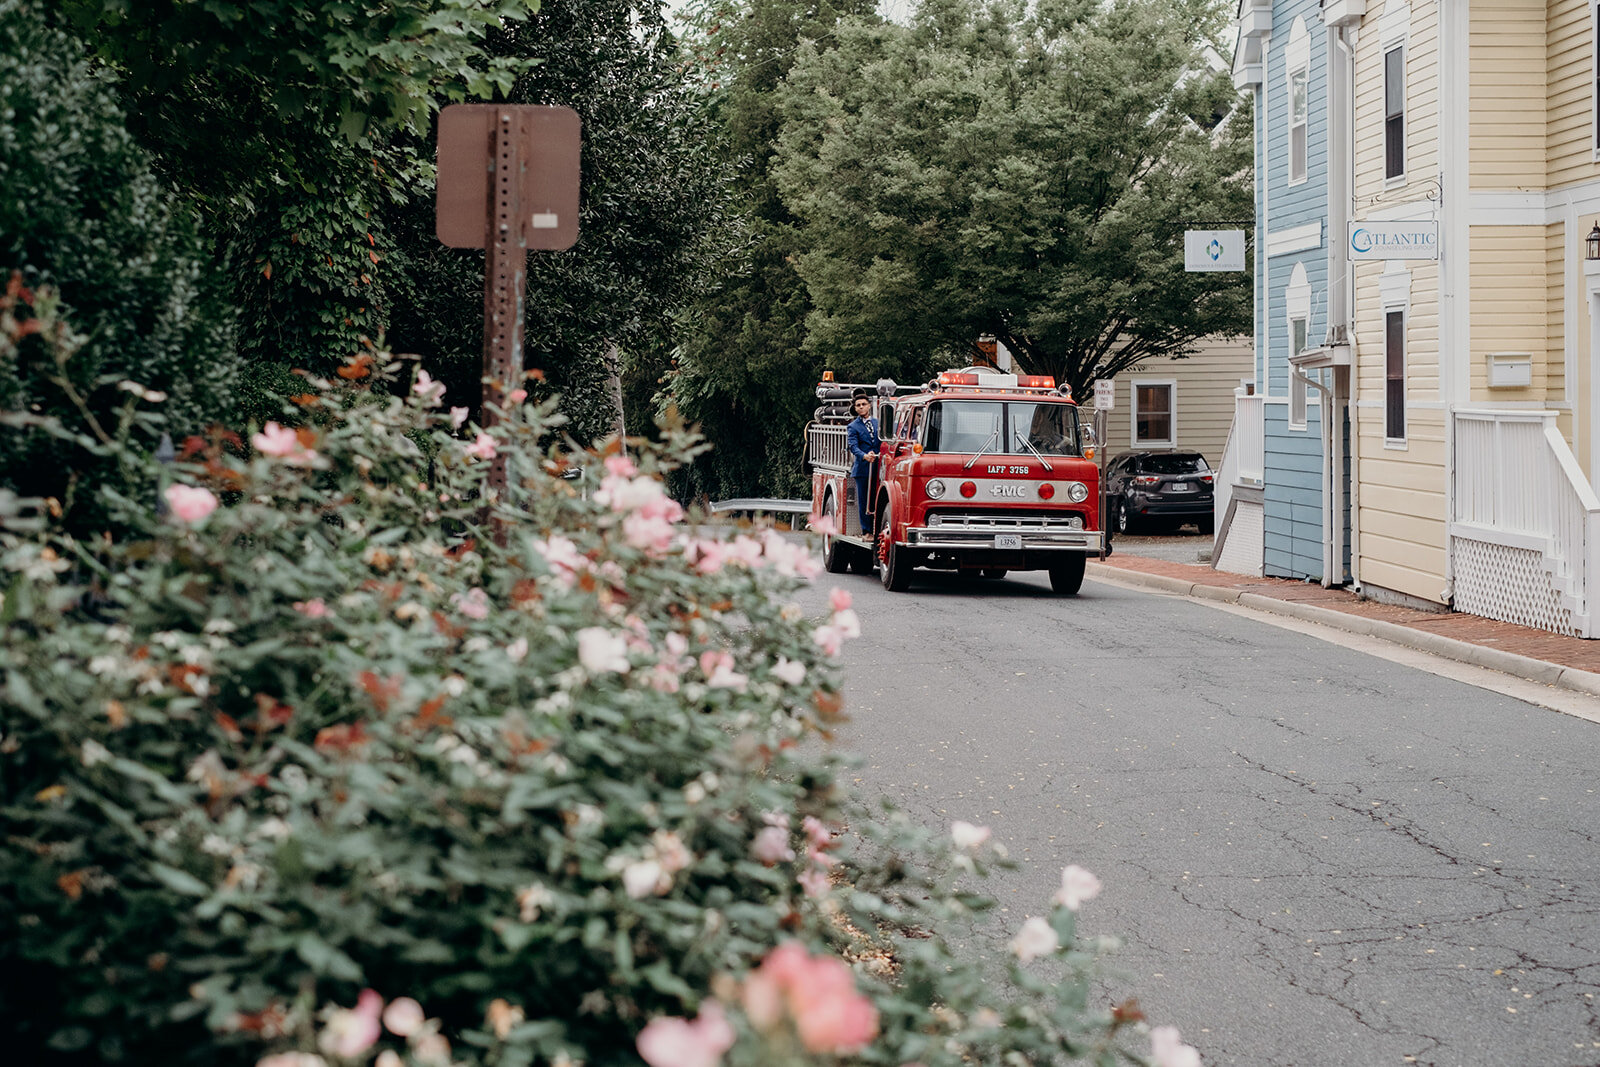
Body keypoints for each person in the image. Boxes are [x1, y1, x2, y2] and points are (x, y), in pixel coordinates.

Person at [845, 391, 880, 535]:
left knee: (876, 500)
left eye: (863, 404)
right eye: (858, 405)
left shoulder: (879, 423)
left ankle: (879, 529)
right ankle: (867, 531)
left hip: (878, 468)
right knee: (864, 502)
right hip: (862, 469)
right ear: (855, 408)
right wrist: (864, 456)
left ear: (869, 405)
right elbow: (853, 446)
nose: (861, 407)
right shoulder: (853, 426)